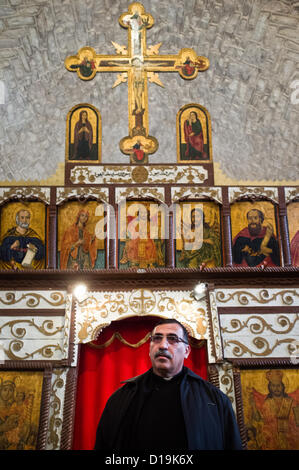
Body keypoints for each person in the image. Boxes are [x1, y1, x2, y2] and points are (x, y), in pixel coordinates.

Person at [94, 318, 243, 450]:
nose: (163, 345)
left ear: (186, 351)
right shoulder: (121, 398)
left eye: (172, 339)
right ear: (149, 349)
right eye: (157, 339)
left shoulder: (214, 400)